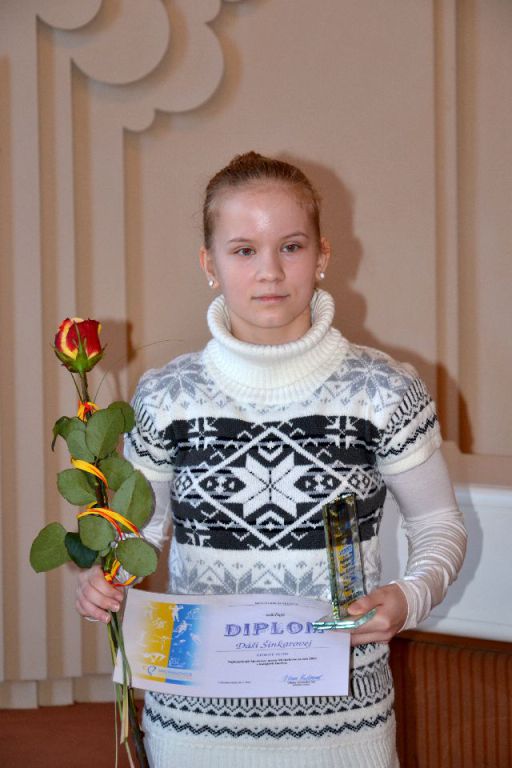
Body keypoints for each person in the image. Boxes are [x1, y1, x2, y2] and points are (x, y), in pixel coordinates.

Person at [76, 151, 467, 768]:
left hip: (343, 722)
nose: (270, 272)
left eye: (291, 246)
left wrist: (411, 596)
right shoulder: (165, 395)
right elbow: (141, 533)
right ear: (209, 264)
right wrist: (105, 579)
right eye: (243, 250)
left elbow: (438, 523)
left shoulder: (384, 390)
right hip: (194, 722)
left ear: (323, 255)